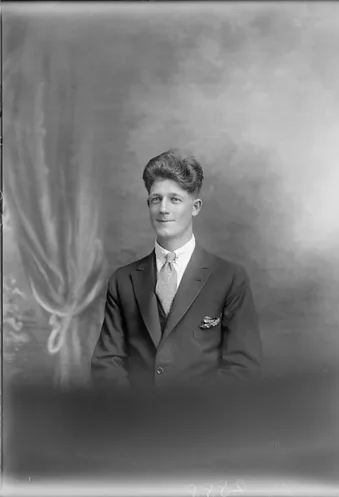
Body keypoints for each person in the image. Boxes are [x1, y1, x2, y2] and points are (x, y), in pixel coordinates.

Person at [91, 148, 262, 392]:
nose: (163, 209)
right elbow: (106, 364)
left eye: (175, 199)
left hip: (203, 423)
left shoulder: (230, 278)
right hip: (136, 422)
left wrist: (188, 415)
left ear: (195, 207)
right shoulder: (123, 281)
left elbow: (244, 369)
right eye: (156, 199)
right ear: (148, 204)